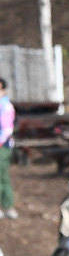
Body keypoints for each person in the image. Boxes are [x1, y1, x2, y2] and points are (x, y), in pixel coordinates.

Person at [0, 77, 15, 219]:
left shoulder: (6, 106)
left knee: (2, 175)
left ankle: (7, 206)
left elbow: (7, 130)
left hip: (2, 147)